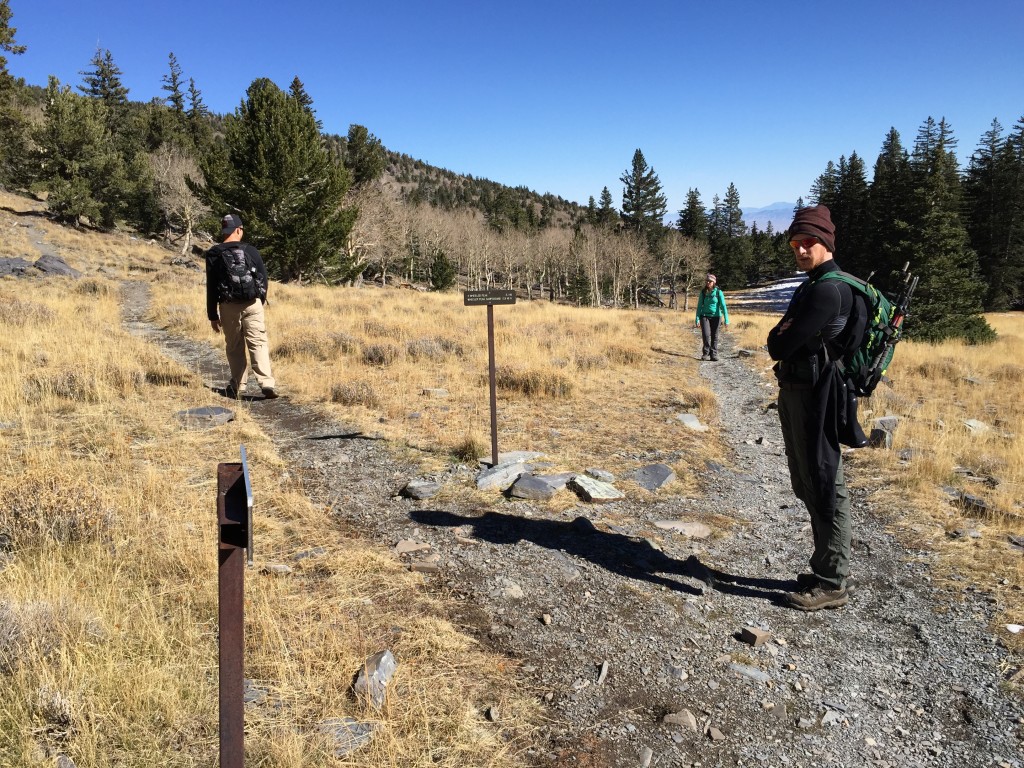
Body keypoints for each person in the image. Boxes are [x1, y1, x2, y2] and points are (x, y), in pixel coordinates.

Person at [767, 205, 866, 611]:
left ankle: (832, 583)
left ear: (826, 243)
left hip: (816, 396)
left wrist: (784, 333)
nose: (801, 249)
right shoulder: (816, 283)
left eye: (809, 242)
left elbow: (777, 343)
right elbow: (783, 338)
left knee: (825, 484)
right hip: (803, 390)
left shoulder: (828, 289)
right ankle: (826, 567)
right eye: (795, 243)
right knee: (808, 481)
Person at [205, 213, 278, 399]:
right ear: (239, 230)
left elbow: (212, 286)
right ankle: (267, 383)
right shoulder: (251, 250)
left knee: (235, 345)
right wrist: (259, 300)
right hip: (252, 303)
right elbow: (263, 278)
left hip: (228, 306)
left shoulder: (214, 253)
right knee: (258, 342)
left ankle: (238, 385)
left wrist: (213, 315)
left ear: (224, 231)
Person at [694, 273, 729, 360]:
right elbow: (699, 307)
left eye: (710, 281)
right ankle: (706, 353)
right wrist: (697, 318)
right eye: (707, 281)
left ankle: (713, 354)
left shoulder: (718, 292)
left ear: (714, 282)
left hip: (716, 317)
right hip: (705, 316)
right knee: (706, 335)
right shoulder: (703, 292)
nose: (708, 282)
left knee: (715, 335)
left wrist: (726, 320)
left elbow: (723, 306)